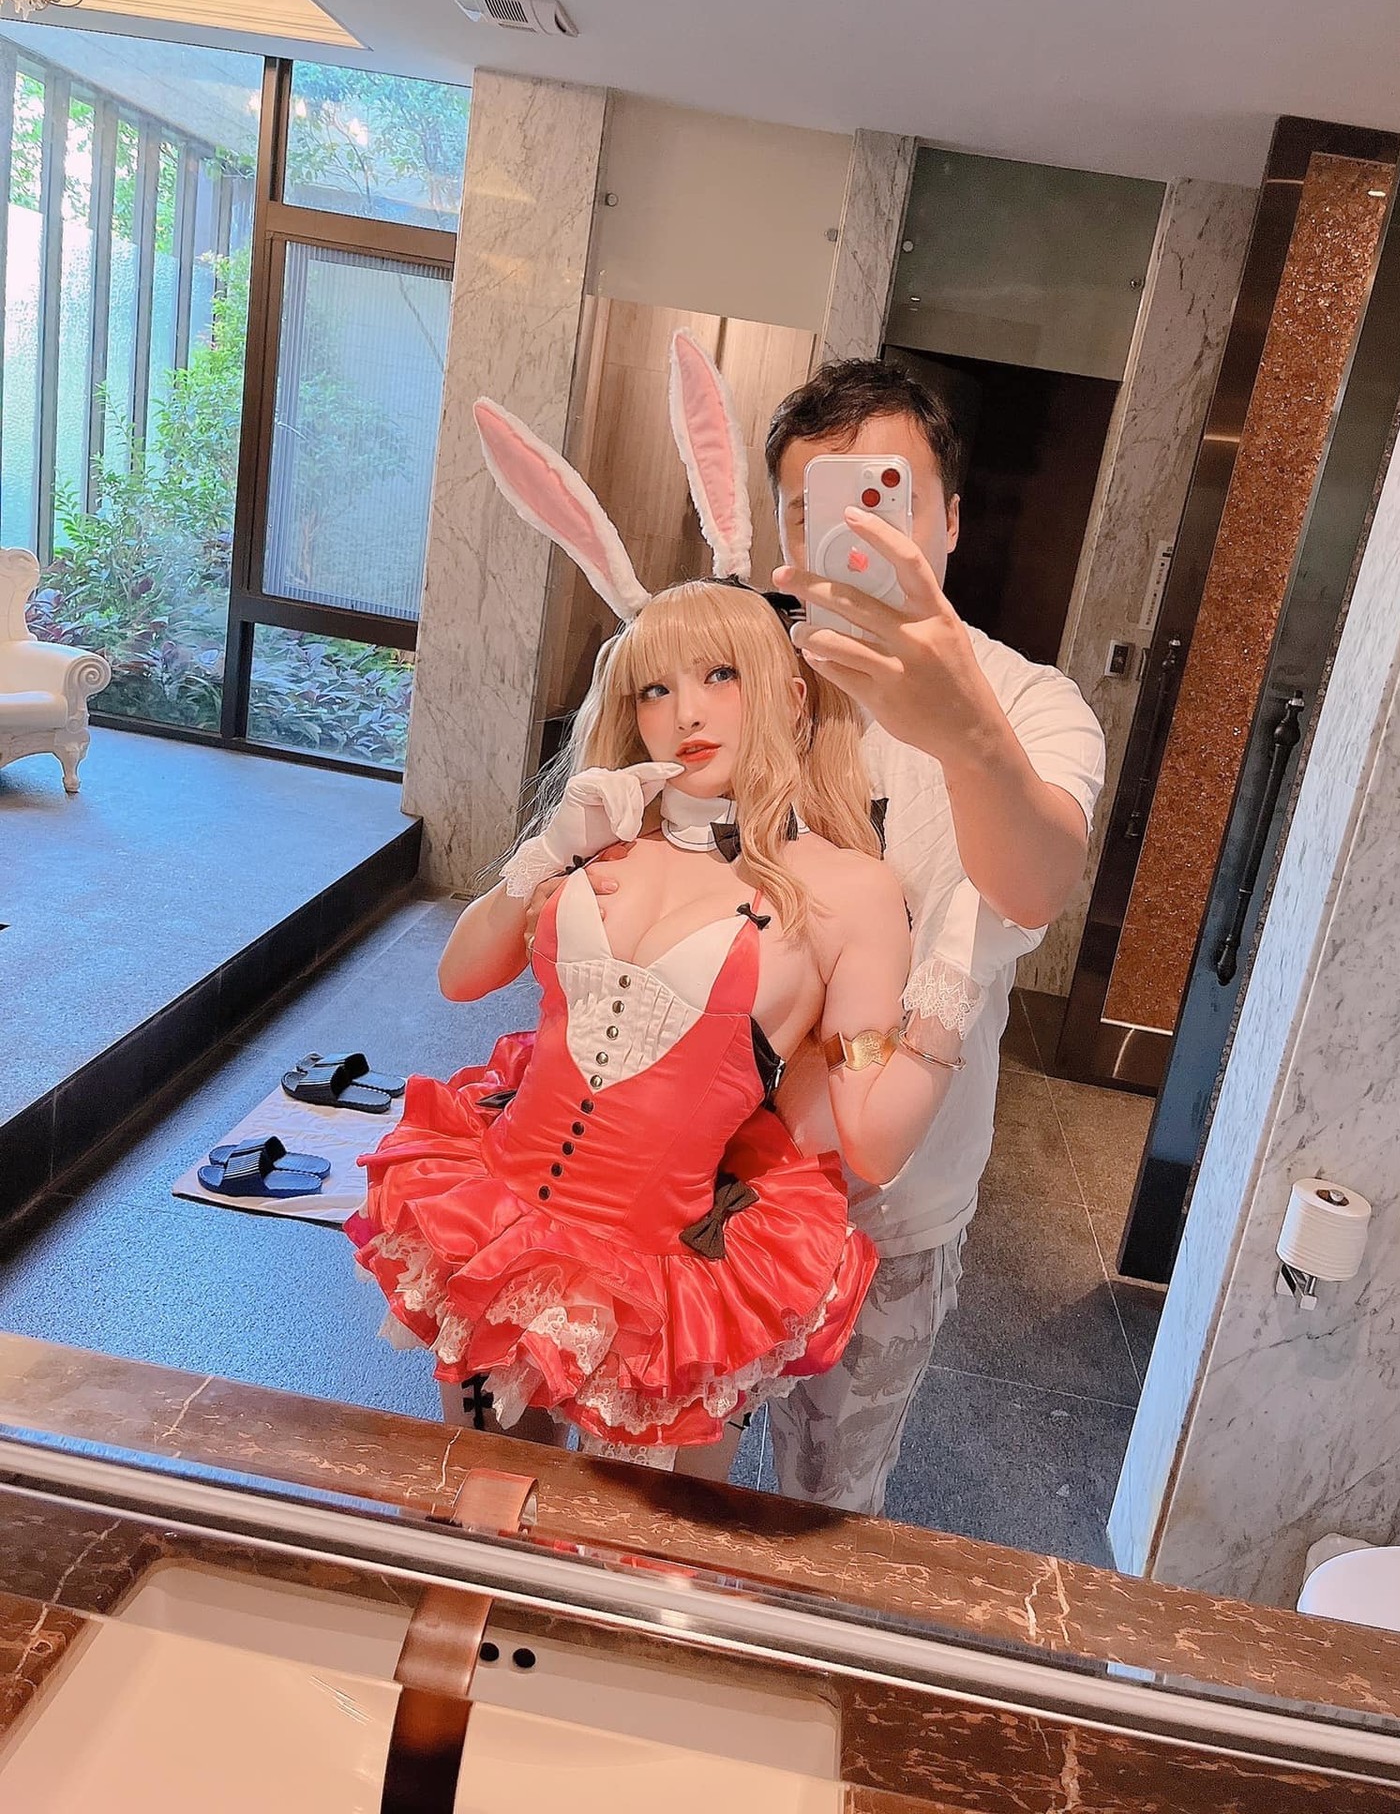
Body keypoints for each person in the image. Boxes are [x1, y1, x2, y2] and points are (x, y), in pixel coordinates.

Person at [347, 336, 958, 1472]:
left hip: (671, 1278)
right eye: (656, 686)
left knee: (646, 1544)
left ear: (787, 691)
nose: (689, 712)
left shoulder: (846, 888)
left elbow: (870, 1142)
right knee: (478, 1504)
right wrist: (544, 853)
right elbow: (461, 976)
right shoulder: (604, 834)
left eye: (722, 675)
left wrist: (957, 981)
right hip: (500, 1228)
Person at [545, 359, 1107, 1512]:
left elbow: (1037, 884)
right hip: (687, 1191)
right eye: (814, 510)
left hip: (892, 1205)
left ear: (949, 519)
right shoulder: (735, 673)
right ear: (782, 532)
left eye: (885, 498)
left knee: (828, 1500)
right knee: (646, 1493)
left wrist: (963, 733)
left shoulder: (1030, 703)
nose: (853, 534)